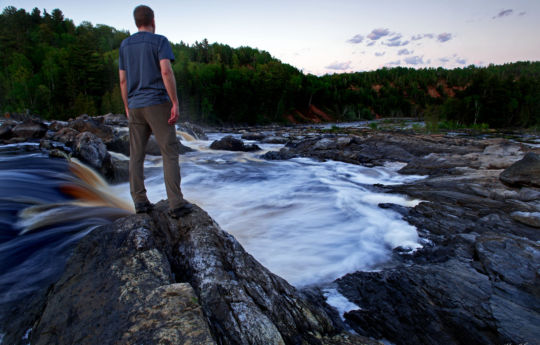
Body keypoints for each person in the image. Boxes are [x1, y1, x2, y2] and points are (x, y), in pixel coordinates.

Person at [119, 5, 192, 218]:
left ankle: (140, 202)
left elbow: (123, 79)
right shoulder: (159, 41)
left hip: (134, 105)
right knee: (169, 153)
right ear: (153, 20)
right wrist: (175, 102)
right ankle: (176, 204)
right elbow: (166, 71)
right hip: (158, 103)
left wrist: (126, 105)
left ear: (135, 22)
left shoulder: (124, 45)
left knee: (136, 155)